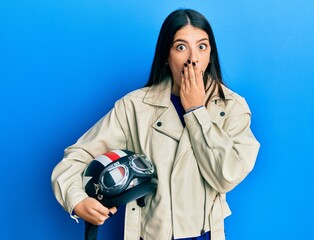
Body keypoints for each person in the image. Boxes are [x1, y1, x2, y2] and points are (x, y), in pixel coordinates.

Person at [51, 8, 260, 240]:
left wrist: (196, 110)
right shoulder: (135, 107)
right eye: (181, 47)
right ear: (166, 57)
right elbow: (76, 157)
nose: (193, 58)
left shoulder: (233, 107)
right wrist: (77, 199)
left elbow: (226, 176)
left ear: (210, 53)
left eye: (202, 46)